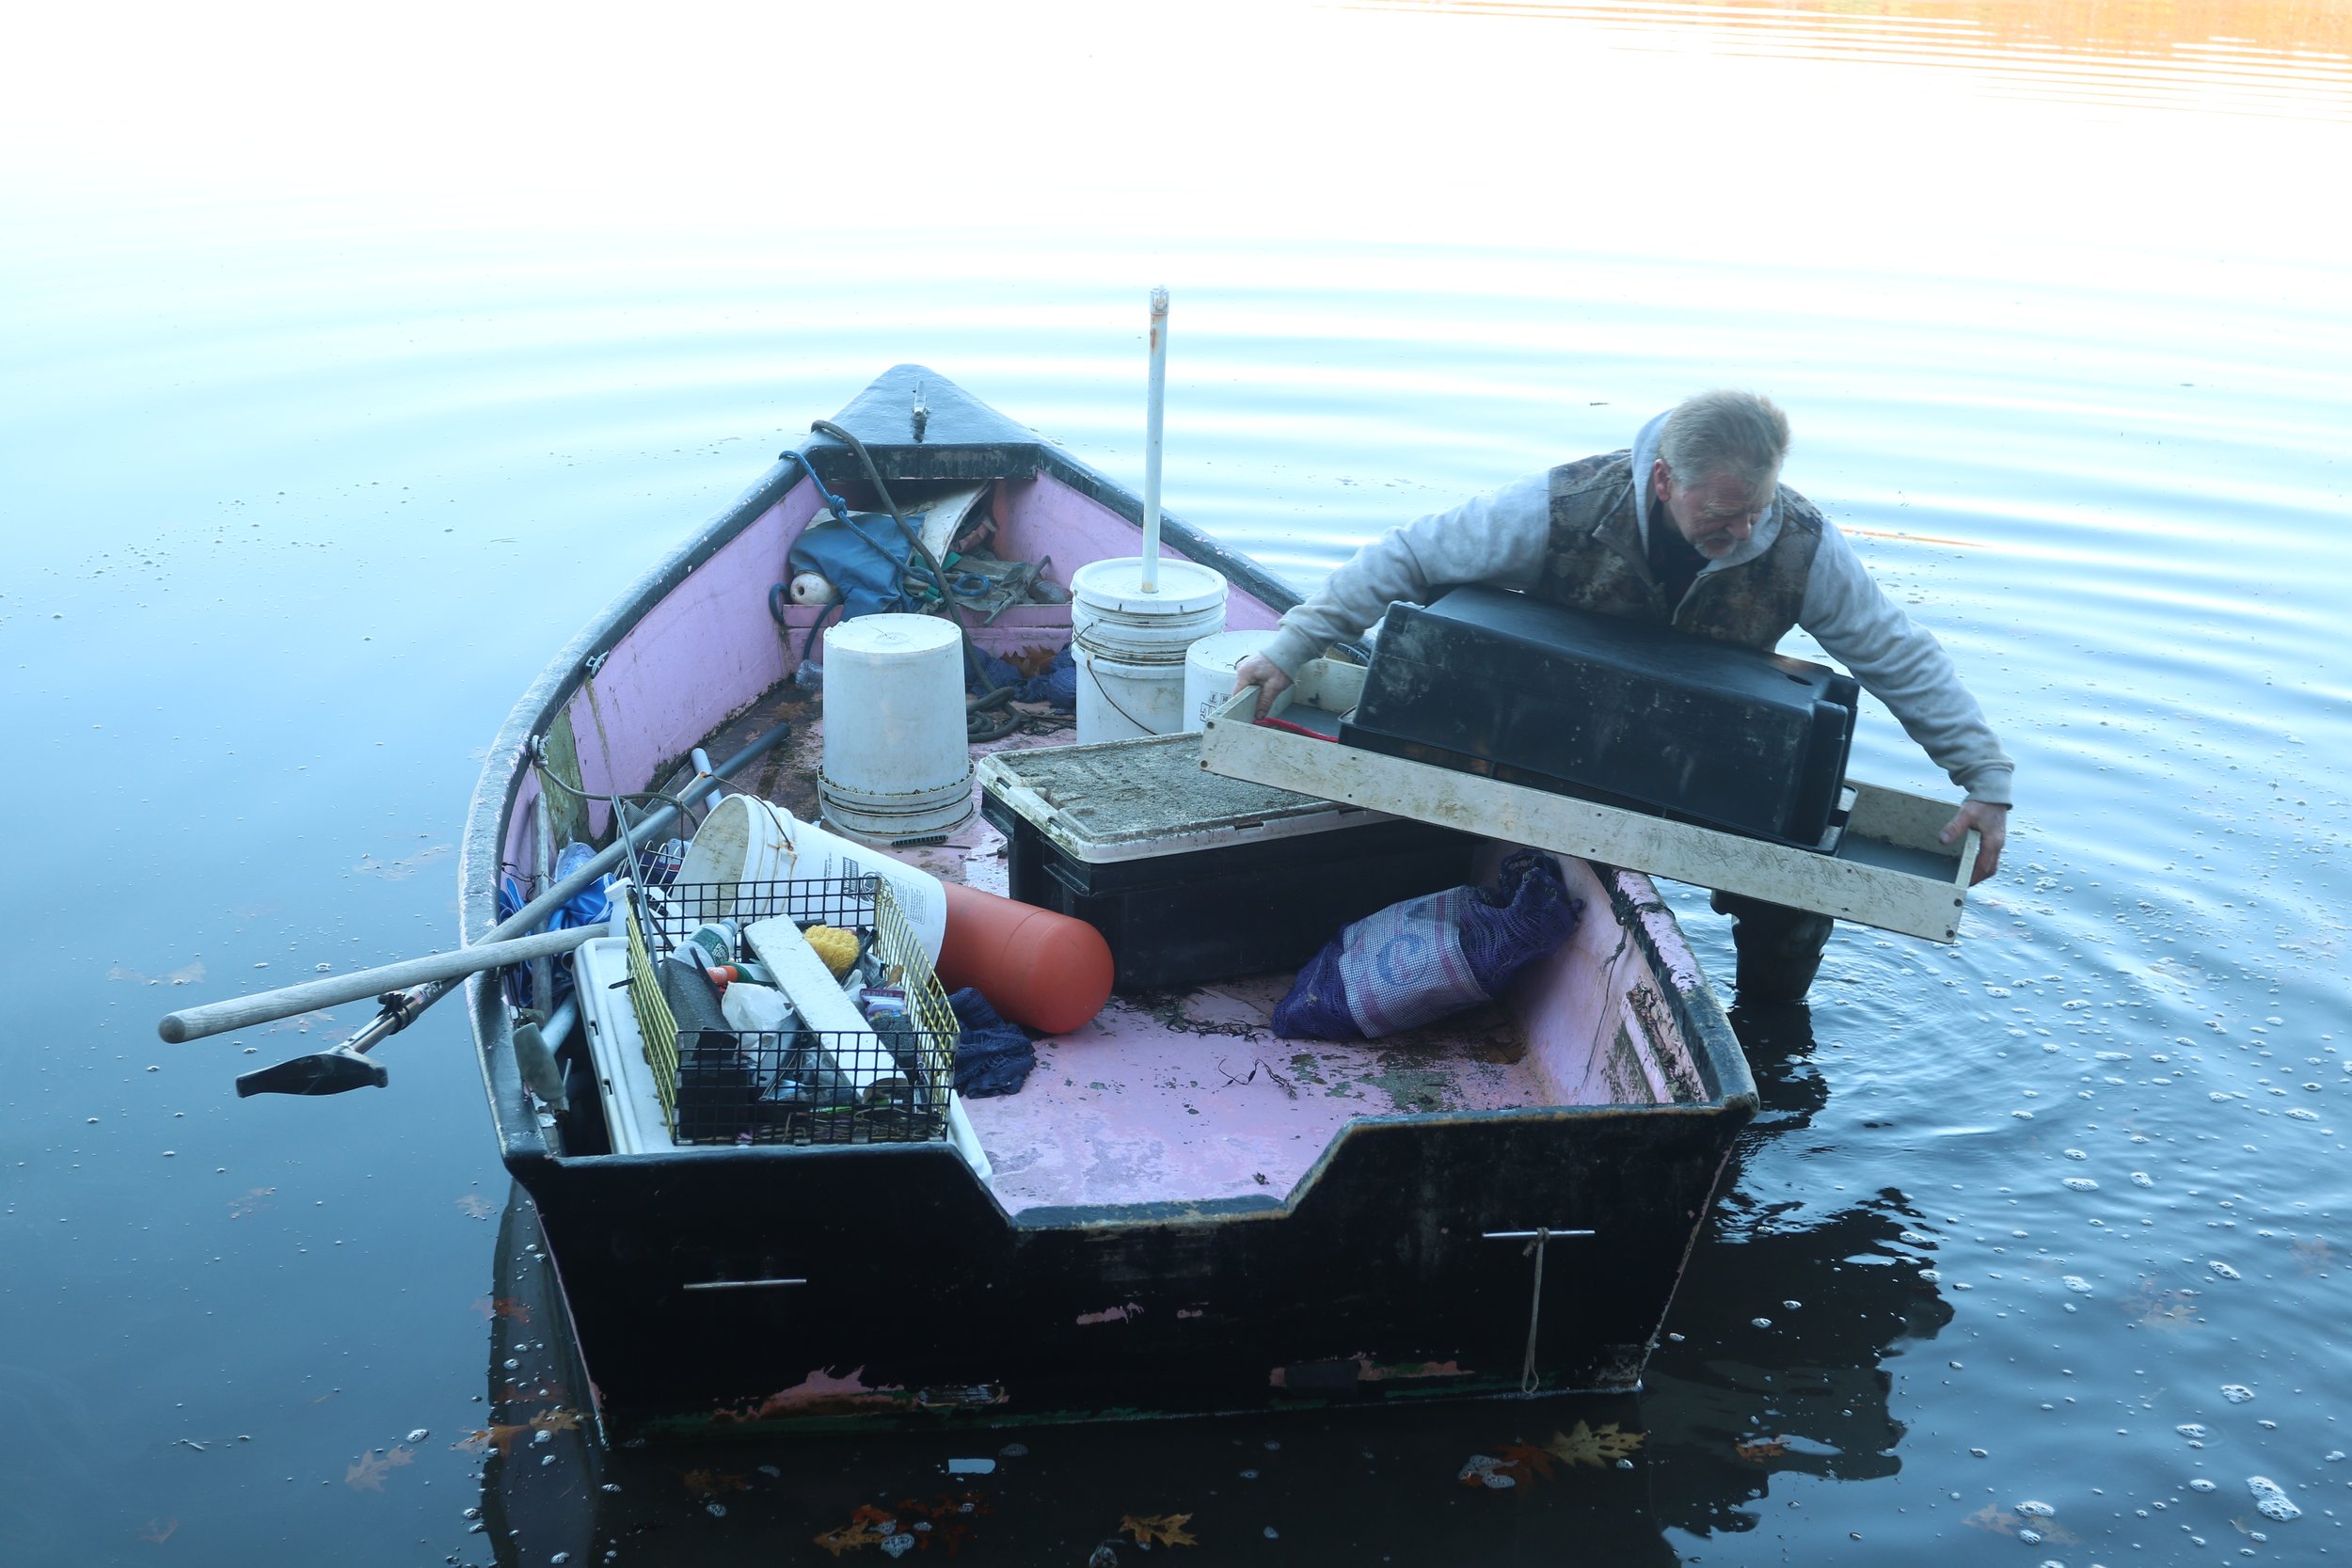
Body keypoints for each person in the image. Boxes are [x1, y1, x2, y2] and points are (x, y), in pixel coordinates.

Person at [1232, 390, 2011, 1002]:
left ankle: (1773, 1022)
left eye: (1756, 511)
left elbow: (1897, 652)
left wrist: (1983, 780)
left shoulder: (1801, 545)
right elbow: (1405, 556)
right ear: (1665, 480)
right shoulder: (1563, 505)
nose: (1743, 532)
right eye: (1721, 513)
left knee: (1795, 899)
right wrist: (1291, 649)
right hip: (1547, 729)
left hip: (1711, 748)